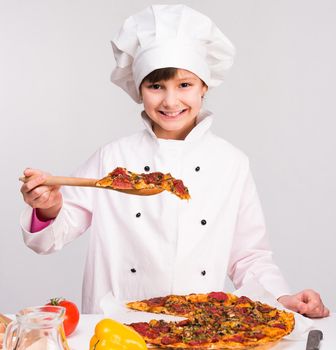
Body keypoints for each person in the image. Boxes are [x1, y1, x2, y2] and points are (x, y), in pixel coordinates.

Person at [20, 4, 329, 317]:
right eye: (156, 86)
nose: (170, 101)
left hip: (198, 327)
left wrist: (281, 297)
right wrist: (48, 206)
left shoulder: (231, 163)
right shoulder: (113, 158)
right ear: (139, 90)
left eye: (184, 84)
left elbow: (248, 256)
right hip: (117, 326)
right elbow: (49, 239)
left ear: (204, 86)